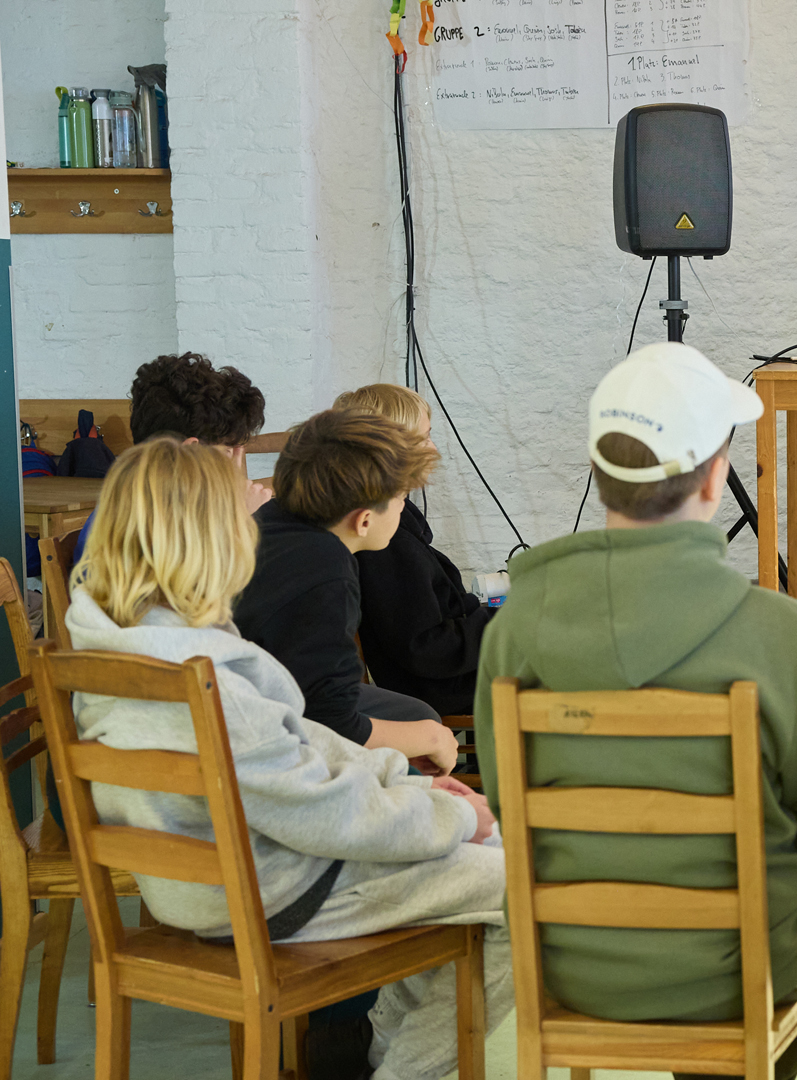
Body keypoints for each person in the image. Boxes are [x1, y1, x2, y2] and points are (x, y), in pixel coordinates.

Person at [472, 342, 797, 1080]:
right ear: (716, 475)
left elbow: (507, 806)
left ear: (600, 474)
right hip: (734, 969)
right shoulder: (776, 631)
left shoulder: (514, 628)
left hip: (573, 961)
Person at [64, 438, 513, 1080]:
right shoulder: (206, 678)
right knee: (523, 886)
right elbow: (327, 815)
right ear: (217, 541)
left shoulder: (115, 643)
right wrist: (460, 820)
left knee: (474, 857)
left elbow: (298, 745)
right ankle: (405, 1070)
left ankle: (380, 1055)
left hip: (206, 883)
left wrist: (412, 787)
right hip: (270, 893)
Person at [233, 410, 459, 772]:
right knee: (426, 733)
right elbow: (332, 723)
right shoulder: (327, 573)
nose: (404, 506)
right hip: (267, 728)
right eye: (401, 498)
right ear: (364, 520)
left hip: (264, 695)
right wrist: (431, 738)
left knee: (415, 714)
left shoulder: (274, 518)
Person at [334, 384, 495, 716]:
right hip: (441, 686)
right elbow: (426, 648)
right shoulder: (384, 538)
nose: (433, 449)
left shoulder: (399, 517)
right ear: (389, 451)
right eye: (422, 439)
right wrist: (505, 624)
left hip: (452, 672)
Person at [71, 351, 272, 562]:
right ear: (191, 452)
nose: (235, 467)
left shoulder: (146, 501)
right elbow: (198, 592)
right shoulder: (146, 526)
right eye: (228, 452)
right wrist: (239, 523)